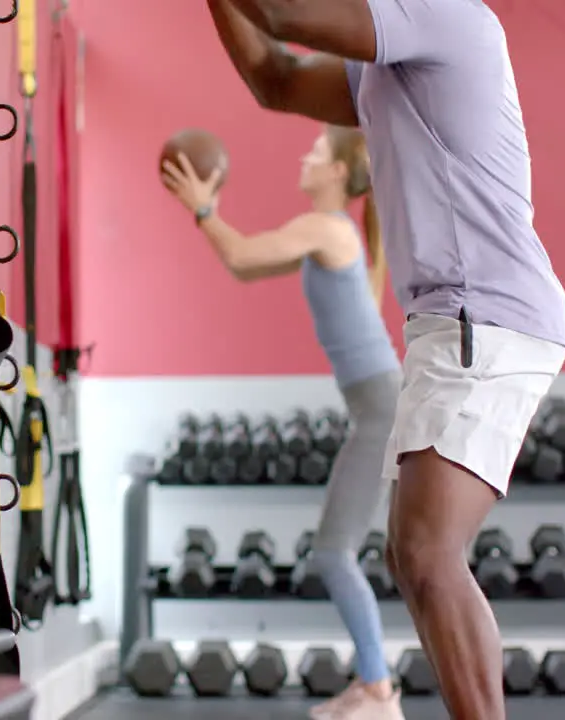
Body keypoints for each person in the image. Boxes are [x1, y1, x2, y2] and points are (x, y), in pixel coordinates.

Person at [203, 1, 565, 719]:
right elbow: (274, 79)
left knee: (427, 551)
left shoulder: (441, 16)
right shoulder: (385, 57)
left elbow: (280, 15)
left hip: (484, 312)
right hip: (455, 320)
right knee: (417, 556)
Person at [161, 125, 404, 720]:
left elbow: (242, 252)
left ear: (340, 173)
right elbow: (245, 269)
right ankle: (374, 686)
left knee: (333, 554)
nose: (306, 156)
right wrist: (207, 217)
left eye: (317, 152)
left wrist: (203, 209)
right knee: (340, 553)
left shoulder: (325, 227)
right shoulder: (331, 233)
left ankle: (379, 693)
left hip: (381, 412)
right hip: (377, 410)